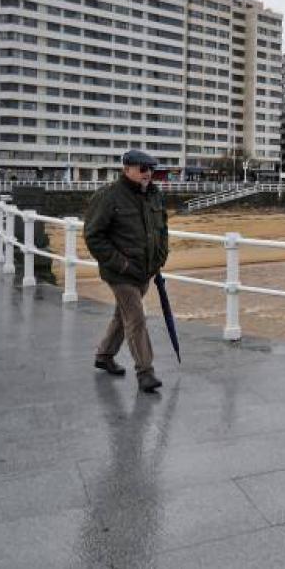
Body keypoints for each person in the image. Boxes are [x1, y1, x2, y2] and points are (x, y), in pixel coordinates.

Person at [83, 150, 170, 393]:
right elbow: (93, 236)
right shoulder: (109, 197)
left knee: (122, 316)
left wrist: (161, 257)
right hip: (120, 273)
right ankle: (145, 372)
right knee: (135, 317)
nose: (148, 173)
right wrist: (120, 264)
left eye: (151, 169)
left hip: (145, 272)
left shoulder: (153, 195)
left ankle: (104, 355)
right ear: (127, 169)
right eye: (142, 168)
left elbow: (162, 229)